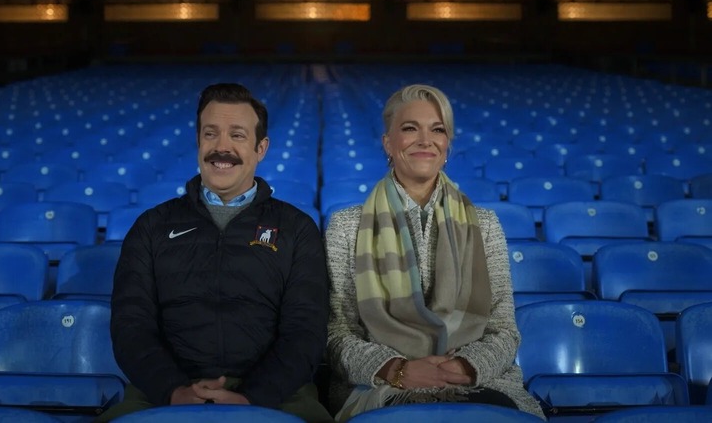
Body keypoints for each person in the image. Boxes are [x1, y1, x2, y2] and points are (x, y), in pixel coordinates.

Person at [100, 82, 333, 422]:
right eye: (211, 134)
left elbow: (306, 332)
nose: (221, 147)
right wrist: (173, 391)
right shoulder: (150, 227)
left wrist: (253, 397)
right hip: (161, 395)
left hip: (279, 396)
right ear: (198, 142)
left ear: (261, 147)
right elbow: (130, 326)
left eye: (237, 135)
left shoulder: (297, 229)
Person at [324, 84, 545, 421]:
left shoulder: (485, 225)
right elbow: (338, 334)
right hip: (382, 386)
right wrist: (397, 370)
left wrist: (463, 368)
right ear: (388, 143)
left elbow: (504, 329)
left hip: (476, 383)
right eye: (410, 128)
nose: (425, 140)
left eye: (437, 129)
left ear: (447, 146)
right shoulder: (345, 226)